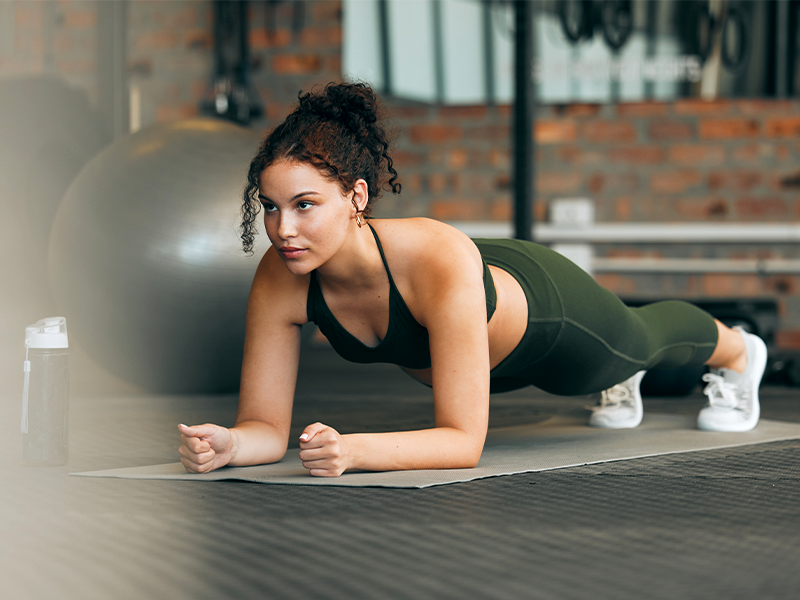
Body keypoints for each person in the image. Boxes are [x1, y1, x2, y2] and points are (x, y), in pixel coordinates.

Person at [178, 82, 767, 477]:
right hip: (481, 359)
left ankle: (743, 351)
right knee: (608, 371)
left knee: (638, 342)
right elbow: (265, 428)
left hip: (546, 319)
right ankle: (633, 381)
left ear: (356, 196)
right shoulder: (282, 276)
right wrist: (231, 444)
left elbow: (463, 441)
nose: (283, 228)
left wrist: (353, 450)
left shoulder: (434, 257)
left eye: (305, 204)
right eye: (272, 206)